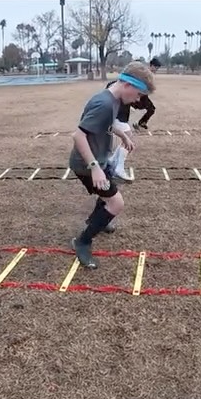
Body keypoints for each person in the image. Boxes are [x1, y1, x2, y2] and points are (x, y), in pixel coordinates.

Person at [69, 61, 157, 268]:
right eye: (138, 95)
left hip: (98, 159)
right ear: (128, 85)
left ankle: (97, 220)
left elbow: (105, 124)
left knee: (107, 194)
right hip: (86, 163)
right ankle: (82, 241)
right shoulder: (106, 103)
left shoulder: (114, 98)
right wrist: (95, 168)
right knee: (116, 203)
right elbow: (79, 135)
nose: (138, 100)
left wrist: (123, 136)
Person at [132, 57, 161, 129]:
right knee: (138, 106)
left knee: (151, 109)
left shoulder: (149, 73)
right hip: (139, 94)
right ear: (152, 66)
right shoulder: (145, 73)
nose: (156, 70)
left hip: (144, 95)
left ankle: (141, 123)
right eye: (156, 68)